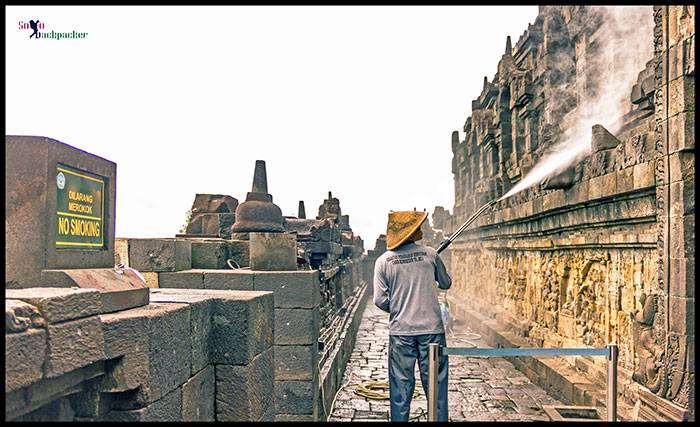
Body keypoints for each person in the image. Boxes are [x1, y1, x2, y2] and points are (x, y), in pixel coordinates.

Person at [373, 210, 452, 421]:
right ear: (410, 232)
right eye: (418, 227)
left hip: (401, 332)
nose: (421, 229)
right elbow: (446, 284)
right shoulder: (430, 254)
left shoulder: (384, 261)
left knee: (400, 386)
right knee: (436, 387)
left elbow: (379, 299)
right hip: (432, 332)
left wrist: (400, 307)